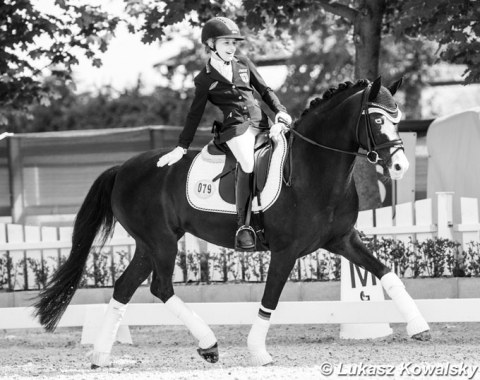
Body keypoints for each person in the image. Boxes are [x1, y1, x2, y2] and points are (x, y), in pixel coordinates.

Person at [157, 16, 292, 251]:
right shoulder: (204, 79)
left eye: (233, 43)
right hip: (236, 128)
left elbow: (265, 90)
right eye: (226, 43)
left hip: (263, 122)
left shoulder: (243, 63)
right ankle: (244, 226)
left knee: (289, 152)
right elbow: (194, 115)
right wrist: (182, 146)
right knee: (248, 163)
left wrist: (280, 111)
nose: (232, 47)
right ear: (211, 44)